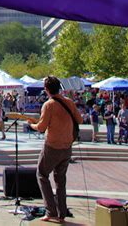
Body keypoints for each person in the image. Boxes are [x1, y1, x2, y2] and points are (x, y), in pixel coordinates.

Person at [27, 76, 83, 223]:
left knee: (42, 174)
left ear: (46, 89)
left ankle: (50, 210)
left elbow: (41, 127)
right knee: (60, 180)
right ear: (59, 87)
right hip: (67, 147)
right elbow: (80, 120)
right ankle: (61, 213)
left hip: (52, 147)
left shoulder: (49, 105)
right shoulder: (69, 102)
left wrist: (31, 125)